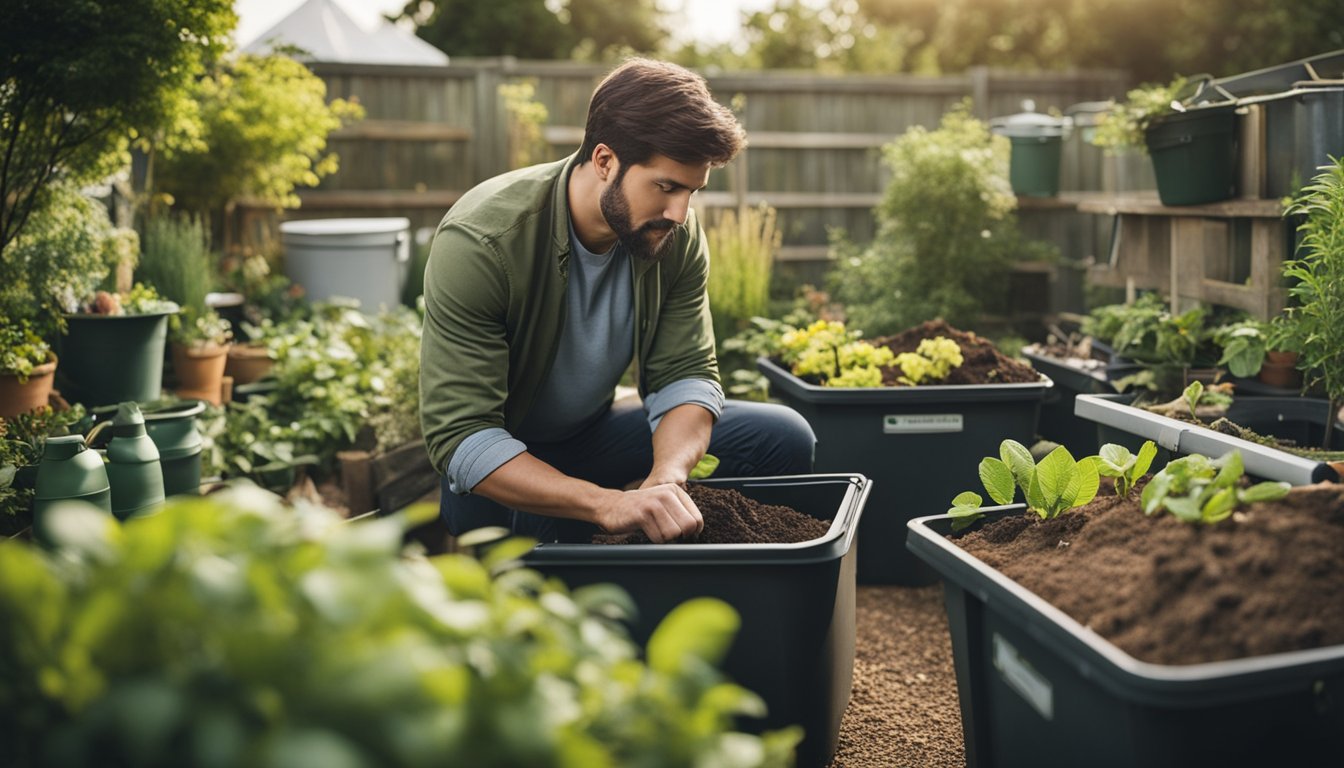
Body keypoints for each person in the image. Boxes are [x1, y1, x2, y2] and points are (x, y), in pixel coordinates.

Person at [420, 58, 815, 544]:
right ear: (605, 161)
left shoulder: (674, 234)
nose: (680, 212)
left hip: (590, 436)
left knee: (781, 438)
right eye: (666, 187)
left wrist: (667, 477)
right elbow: (462, 435)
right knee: (536, 556)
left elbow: (685, 373)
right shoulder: (483, 241)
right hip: (506, 460)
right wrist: (606, 504)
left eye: (692, 191)